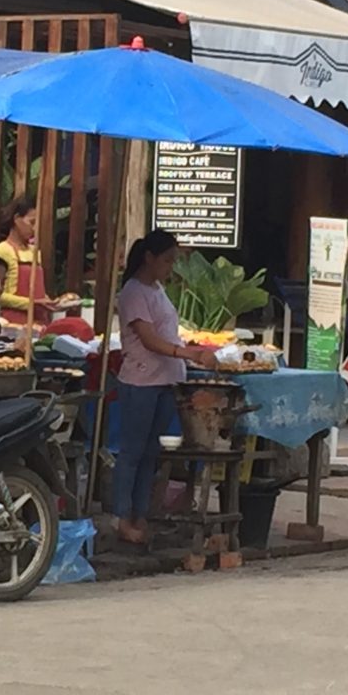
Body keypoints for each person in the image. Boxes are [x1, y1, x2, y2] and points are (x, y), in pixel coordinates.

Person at [112, 230, 217, 545]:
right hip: (141, 380)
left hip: (166, 379)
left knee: (149, 452)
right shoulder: (133, 292)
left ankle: (141, 512)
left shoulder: (157, 290)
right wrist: (186, 353)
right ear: (150, 258)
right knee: (131, 451)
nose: (171, 267)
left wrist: (186, 350)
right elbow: (148, 338)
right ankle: (121, 515)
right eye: (168, 260)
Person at [0, 196, 57, 326]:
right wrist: (30, 303)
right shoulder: (2, 251)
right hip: (14, 322)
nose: (34, 229)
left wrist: (49, 302)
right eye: (31, 222)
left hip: (40, 321)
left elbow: (39, 289)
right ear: (16, 219)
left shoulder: (35, 252)